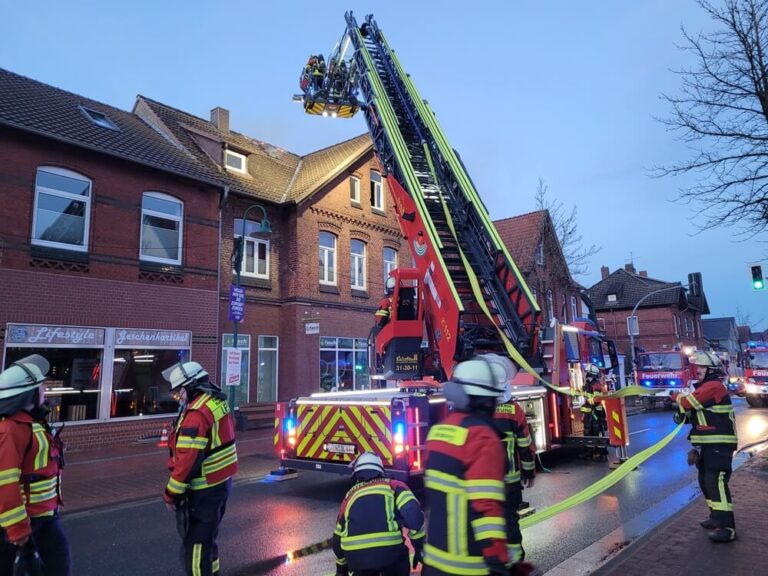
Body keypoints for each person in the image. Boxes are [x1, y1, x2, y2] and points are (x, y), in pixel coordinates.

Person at [423, 357, 535, 576]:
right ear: (485, 400)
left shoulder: (438, 432)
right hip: (470, 566)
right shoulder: (481, 438)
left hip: (435, 562)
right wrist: (500, 563)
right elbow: (488, 510)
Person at [162, 361, 238, 576]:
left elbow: (187, 461)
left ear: (192, 385)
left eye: (181, 392)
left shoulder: (197, 413)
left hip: (204, 489)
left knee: (195, 547)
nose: (180, 398)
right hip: (220, 484)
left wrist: (171, 494)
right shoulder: (216, 401)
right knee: (208, 541)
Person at [0, 355, 70, 576]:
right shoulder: (11, 429)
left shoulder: (31, 422)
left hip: (44, 516)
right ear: (28, 393)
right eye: (41, 387)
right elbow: (5, 481)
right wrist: (17, 529)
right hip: (28, 521)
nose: (45, 391)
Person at [673, 351, 737, 543]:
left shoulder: (714, 386)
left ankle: (727, 527)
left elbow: (687, 402)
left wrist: (675, 397)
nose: (697, 370)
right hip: (707, 446)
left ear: (711, 369)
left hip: (719, 445)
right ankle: (715, 517)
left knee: (716, 483)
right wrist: (682, 413)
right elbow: (690, 411)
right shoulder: (704, 388)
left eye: (701, 367)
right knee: (705, 481)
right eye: (697, 367)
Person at [333, 452, 424, 576]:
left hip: (357, 560)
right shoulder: (394, 486)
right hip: (390, 556)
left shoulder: (349, 496)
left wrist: (341, 569)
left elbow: (337, 537)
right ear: (380, 471)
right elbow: (414, 519)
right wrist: (419, 549)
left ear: (357, 474)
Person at [489, 354, 536, 564]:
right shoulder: (514, 411)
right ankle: (514, 563)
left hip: (483, 486)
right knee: (510, 523)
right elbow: (525, 447)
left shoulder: (476, 412)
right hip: (509, 485)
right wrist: (529, 472)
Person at [580, 363, 608, 461]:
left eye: (586, 372)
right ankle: (589, 452)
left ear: (590, 374)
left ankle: (602, 453)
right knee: (588, 433)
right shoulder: (588, 384)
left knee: (598, 433)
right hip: (589, 414)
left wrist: (588, 400)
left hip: (596, 414)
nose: (585, 374)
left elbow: (596, 399)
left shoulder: (596, 385)